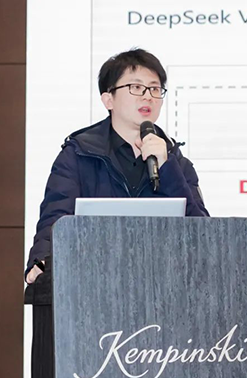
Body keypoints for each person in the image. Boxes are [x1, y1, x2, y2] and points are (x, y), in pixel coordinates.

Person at [25, 48, 209, 284]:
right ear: (108, 99)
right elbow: (56, 218)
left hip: (163, 284)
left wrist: (166, 167)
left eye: (154, 89)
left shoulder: (176, 162)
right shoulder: (78, 155)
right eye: (136, 87)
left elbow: (202, 234)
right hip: (93, 282)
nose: (148, 97)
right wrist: (42, 261)